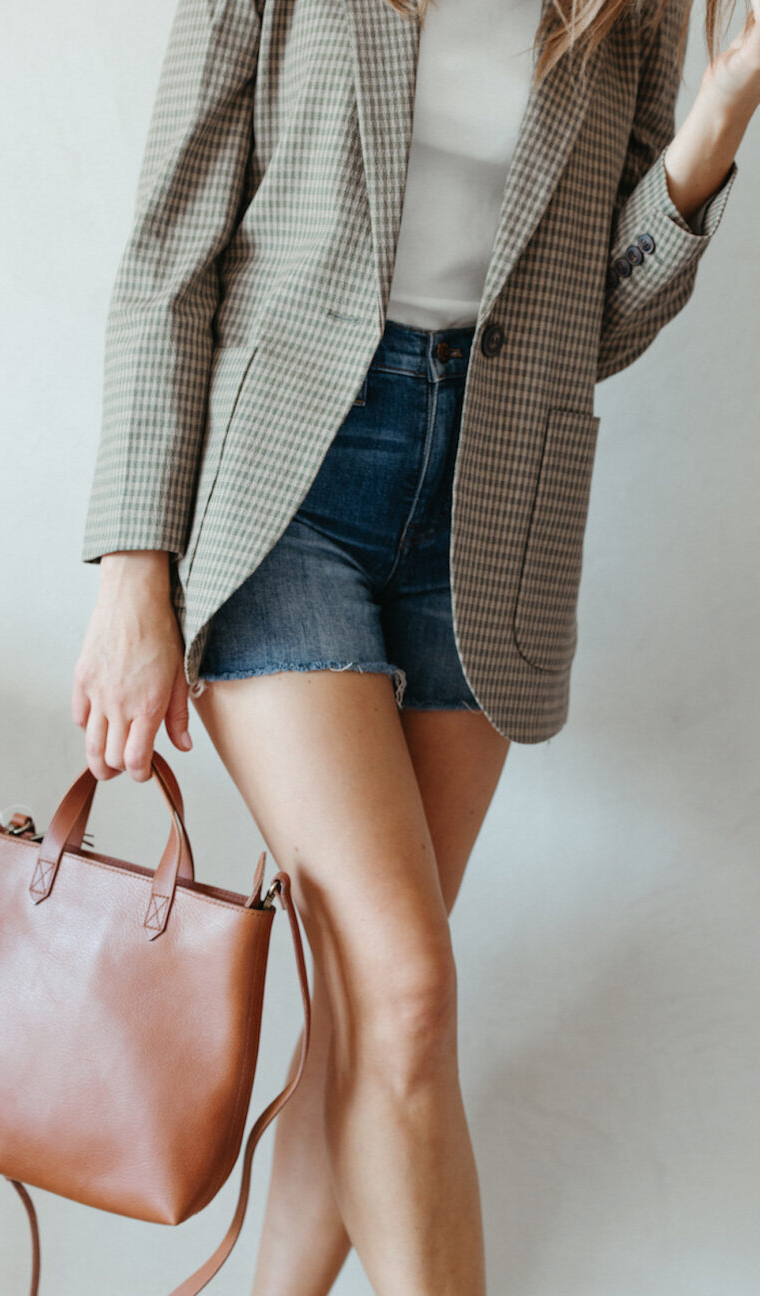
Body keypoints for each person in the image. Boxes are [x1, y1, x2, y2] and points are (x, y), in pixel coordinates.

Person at [72, 0, 758, 1290]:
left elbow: (591, 326)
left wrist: (711, 138)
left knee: (368, 1022)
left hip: (489, 518)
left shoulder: (628, 9)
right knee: (407, 988)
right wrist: (129, 570)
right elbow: (172, 251)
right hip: (289, 495)